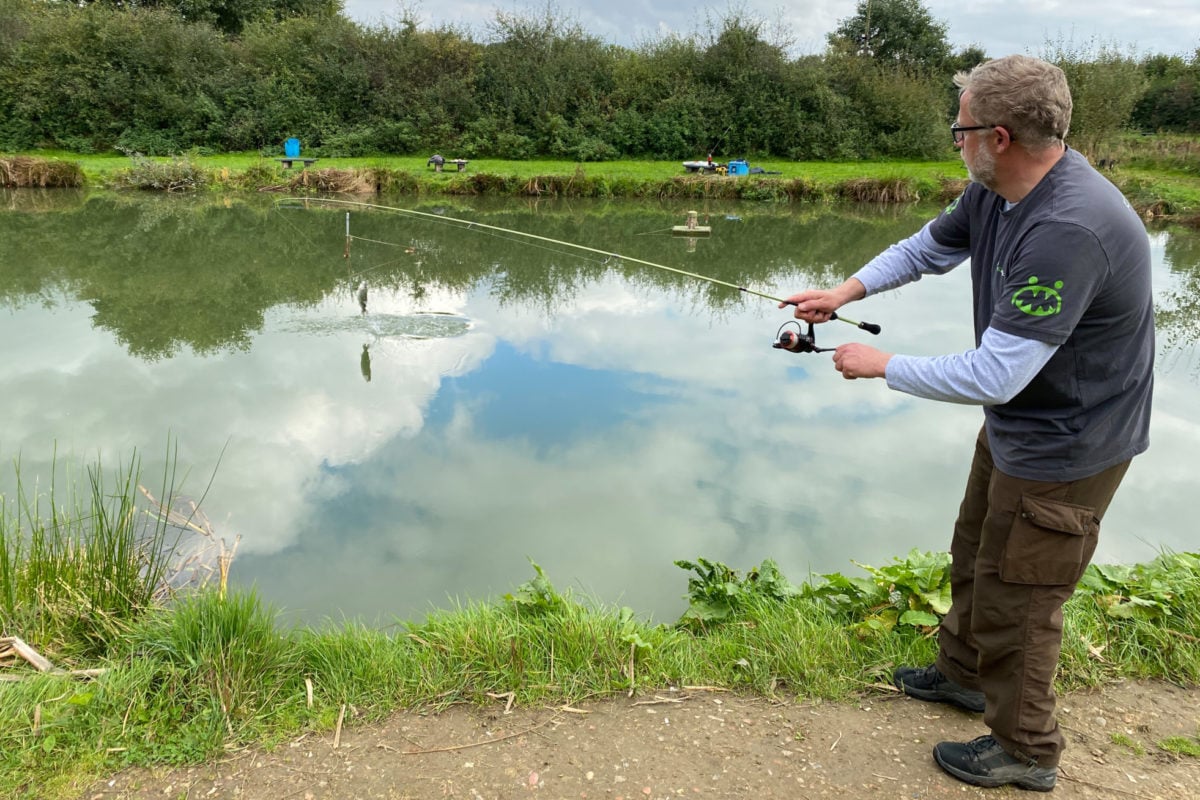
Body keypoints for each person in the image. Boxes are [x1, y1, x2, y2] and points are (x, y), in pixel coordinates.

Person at [780, 54, 1154, 792]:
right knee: (977, 548)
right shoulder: (997, 193)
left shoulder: (1069, 228)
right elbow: (929, 248)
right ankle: (964, 675)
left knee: (1024, 594)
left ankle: (1027, 750)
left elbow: (995, 373)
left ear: (1000, 136)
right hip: (1023, 422)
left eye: (961, 128)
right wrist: (844, 289)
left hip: (1073, 440)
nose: (954, 138)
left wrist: (881, 364)